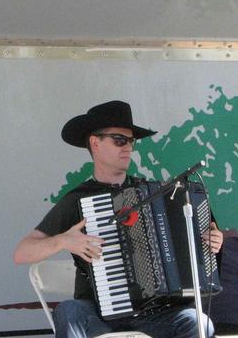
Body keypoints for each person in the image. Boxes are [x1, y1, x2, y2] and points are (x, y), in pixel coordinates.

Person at [13, 100, 223, 338]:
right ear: (95, 143)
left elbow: (196, 238)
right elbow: (22, 253)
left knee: (198, 323)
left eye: (131, 141)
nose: (128, 148)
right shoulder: (78, 199)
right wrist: (63, 241)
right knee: (68, 311)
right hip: (97, 314)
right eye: (119, 140)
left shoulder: (152, 194)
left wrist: (212, 240)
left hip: (154, 313)